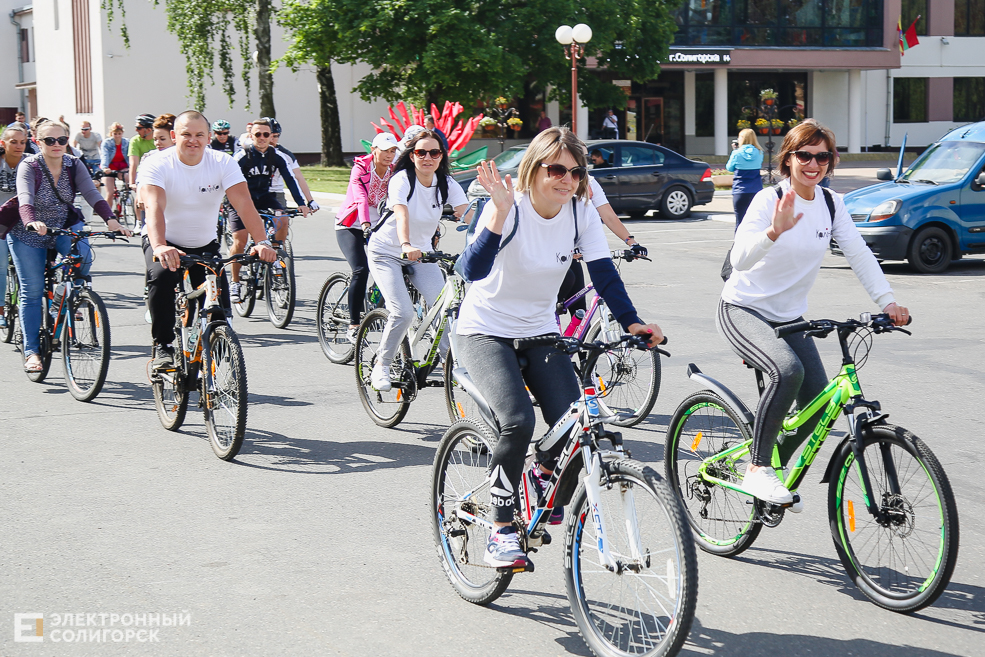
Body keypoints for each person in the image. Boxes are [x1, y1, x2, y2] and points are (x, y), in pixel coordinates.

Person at [454, 126, 663, 568]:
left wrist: (633, 323)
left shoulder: (580, 212)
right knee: (517, 421)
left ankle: (540, 473)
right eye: (556, 170)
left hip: (539, 331)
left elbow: (604, 275)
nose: (567, 179)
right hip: (484, 330)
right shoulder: (508, 205)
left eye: (576, 172)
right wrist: (497, 213)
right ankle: (501, 529)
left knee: (575, 428)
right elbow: (470, 270)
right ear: (534, 169)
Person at [719, 119, 909, 508]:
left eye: (823, 157)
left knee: (817, 402)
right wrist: (773, 232)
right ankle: (757, 468)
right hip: (743, 308)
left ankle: (772, 471)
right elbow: (739, 259)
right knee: (788, 371)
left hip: (789, 317)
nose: (813, 164)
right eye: (804, 155)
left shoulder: (830, 203)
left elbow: (858, 253)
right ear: (788, 159)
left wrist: (887, 302)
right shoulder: (768, 200)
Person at [141, 111, 276, 370]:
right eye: (186, 134)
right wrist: (159, 246)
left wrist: (262, 241)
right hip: (165, 240)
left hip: (204, 244)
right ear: (174, 136)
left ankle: (212, 352)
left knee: (218, 307)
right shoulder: (158, 163)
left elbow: (244, 203)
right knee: (162, 277)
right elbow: (154, 206)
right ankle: (163, 345)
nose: (193, 140)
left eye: (199, 135)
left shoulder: (222, 162)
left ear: (208, 137)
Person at [10, 119, 128, 372]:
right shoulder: (29, 165)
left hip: (63, 224)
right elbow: (25, 197)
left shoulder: (74, 163)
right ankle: (32, 352)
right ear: (37, 142)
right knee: (32, 291)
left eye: (61, 140)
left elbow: (92, 193)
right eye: (49, 140)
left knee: (83, 256)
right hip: (28, 231)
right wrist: (31, 221)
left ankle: (65, 299)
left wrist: (111, 219)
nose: (56, 144)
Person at [366, 130, 467, 391]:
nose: (427, 158)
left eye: (434, 152)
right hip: (387, 252)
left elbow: (467, 214)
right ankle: (382, 364)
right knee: (403, 312)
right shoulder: (401, 179)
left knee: (446, 308)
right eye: (421, 152)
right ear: (412, 156)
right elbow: (402, 214)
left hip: (422, 255)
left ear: (441, 156)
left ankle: (450, 363)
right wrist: (406, 245)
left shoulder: (446, 183)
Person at [227, 118, 309, 302]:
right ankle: (235, 281)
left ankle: (277, 254)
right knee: (240, 241)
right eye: (258, 134)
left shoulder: (276, 155)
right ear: (251, 136)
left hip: (264, 197)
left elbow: (290, 179)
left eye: (266, 134)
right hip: (241, 200)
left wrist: (301, 203)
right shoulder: (242, 156)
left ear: (271, 136)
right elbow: (226, 179)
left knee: (283, 218)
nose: (262, 138)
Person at [336, 132, 398, 342]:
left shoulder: (394, 171)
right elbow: (361, 198)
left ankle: (376, 303)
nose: (389, 155)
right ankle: (354, 324)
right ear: (373, 150)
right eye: (385, 150)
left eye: (393, 151)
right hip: (351, 224)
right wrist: (365, 224)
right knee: (361, 269)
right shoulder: (361, 168)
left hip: (379, 225)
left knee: (396, 263)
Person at [0, 124, 29, 330]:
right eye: (13, 142)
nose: (19, 146)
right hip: (0, 221)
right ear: (3, 143)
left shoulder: (31, 162)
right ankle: (0, 310)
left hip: (24, 220)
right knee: (1, 265)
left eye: (23, 142)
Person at [267, 119, 318, 211]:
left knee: (281, 217)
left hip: (276, 192)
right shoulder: (248, 153)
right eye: (267, 135)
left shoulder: (285, 155)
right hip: (254, 192)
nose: (271, 139)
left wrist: (310, 200)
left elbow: (298, 177)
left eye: (275, 136)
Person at [726, 128, 764, 229]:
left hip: (740, 190)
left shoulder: (737, 153)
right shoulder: (760, 153)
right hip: (756, 190)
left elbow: (729, 168)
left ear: (742, 138)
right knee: (756, 221)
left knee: (740, 222)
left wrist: (735, 151)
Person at [99, 122, 129, 205]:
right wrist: (105, 168)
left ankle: (126, 195)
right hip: (110, 168)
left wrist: (131, 167)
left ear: (122, 133)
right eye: (115, 134)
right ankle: (107, 212)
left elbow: (130, 156)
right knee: (110, 193)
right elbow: (104, 155)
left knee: (128, 177)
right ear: (111, 133)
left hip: (122, 167)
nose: (117, 136)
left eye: (119, 133)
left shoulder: (127, 142)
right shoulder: (107, 143)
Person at [128, 114, 157, 191]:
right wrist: (132, 183)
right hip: (144, 173)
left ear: (149, 130)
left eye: (139, 128)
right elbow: (133, 163)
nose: (136, 130)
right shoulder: (135, 141)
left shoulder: (159, 140)